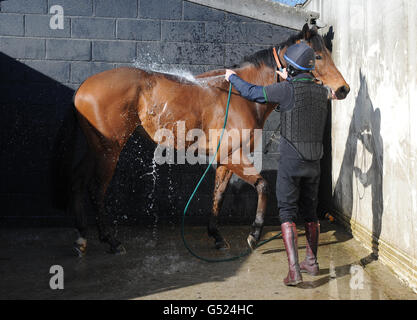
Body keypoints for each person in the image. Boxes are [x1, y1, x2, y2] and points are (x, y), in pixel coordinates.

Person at [225, 42, 335, 286]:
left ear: (291, 70)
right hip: (314, 163)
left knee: (287, 212)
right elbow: (329, 92)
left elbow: (253, 92)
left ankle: (294, 271)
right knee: (311, 212)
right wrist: (292, 78)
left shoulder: (284, 90)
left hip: (291, 163)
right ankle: (312, 263)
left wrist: (232, 78)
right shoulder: (322, 92)